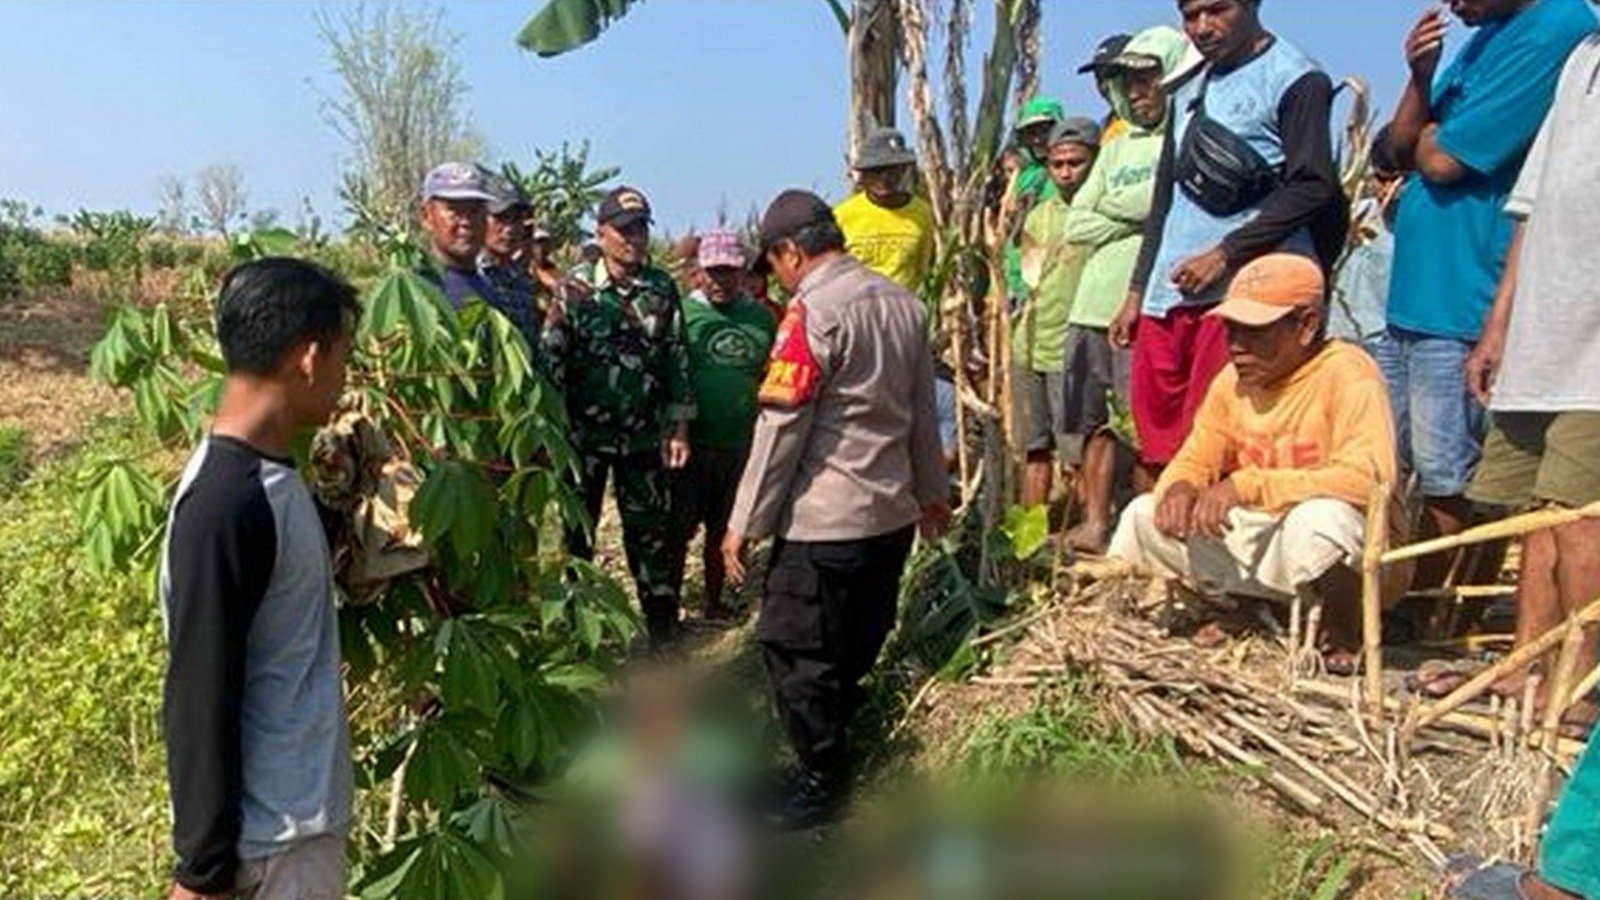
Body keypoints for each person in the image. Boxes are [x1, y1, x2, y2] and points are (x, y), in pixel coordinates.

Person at [721, 190, 949, 829]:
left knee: (794, 647)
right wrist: (933, 492)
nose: (781, 277)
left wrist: (745, 523)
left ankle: (823, 779)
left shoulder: (813, 313)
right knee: (853, 639)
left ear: (792, 252)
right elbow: (923, 417)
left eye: (778, 263)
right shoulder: (904, 305)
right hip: (890, 516)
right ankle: (834, 747)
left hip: (826, 521)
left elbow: (780, 428)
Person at [1376, 0, 1595, 588]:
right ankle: (1413, 598)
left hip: (1465, 294)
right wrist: (1421, 79)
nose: (1450, 4)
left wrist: (1429, 143)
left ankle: (1440, 608)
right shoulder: (1487, 35)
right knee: (1400, 467)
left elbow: (1445, 162)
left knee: (1456, 475)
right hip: (1413, 297)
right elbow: (1399, 149)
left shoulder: (1563, 28)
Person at [160, 258, 359, 900]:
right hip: (272, 848)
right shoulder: (227, 501)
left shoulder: (269, 477)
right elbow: (199, 688)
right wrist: (202, 870)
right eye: (342, 355)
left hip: (293, 828)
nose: (345, 375)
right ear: (308, 356)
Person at [1109, 254, 1397, 672]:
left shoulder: (1349, 373)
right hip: (1265, 539)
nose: (1237, 346)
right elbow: (1197, 454)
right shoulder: (1232, 381)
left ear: (1307, 325)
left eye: (1255, 333)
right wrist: (1181, 487)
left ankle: (1342, 626)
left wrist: (1249, 486)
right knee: (1142, 514)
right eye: (1231, 331)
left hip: (1337, 546)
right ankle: (1248, 608)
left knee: (1320, 522)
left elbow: (1371, 480)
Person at [1112, 0, 1346, 485]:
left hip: (1242, 298)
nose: (1202, 27)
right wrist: (1138, 290)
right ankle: (1159, 552)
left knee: (1221, 439)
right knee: (1158, 440)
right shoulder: (1189, 85)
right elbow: (1165, 195)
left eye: (1217, 11)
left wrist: (1225, 254)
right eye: (1191, 15)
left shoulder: (1296, 79)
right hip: (1170, 294)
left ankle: (1211, 555)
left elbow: (1313, 185)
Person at [1456, 34, 1600, 716]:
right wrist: (1500, 326)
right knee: (1534, 516)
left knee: (1582, 520)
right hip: (1543, 333)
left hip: (1595, 350)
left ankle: (1577, 686)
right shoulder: (1581, 60)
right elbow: (1530, 207)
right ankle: (1524, 667)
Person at [542, 186, 694, 647]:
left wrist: (680, 426)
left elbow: (676, 359)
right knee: (577, 538)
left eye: (641, 228)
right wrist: (552, 433)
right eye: (624, 229)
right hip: (583, 438)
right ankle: (579, 635)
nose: (634, 238)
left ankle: (663, 631)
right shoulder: (574, 289)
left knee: (650, 535)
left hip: (644, 438)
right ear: (602, 232)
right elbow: (552, 362)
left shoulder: (661, 288)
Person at [1061, 25, 1191, 553]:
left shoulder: (1182, 139)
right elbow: (1076, 222)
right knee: (1093, 425)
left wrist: (1126, 211)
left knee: (1143, 426)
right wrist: (1134, 215)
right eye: (1128, 83)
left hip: (1142, 304)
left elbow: (1159, 208)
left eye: (1146, 80)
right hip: (1089, 304)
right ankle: (1094, 524)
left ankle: (1145, 534)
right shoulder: (1115, 148)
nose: (1136, 92)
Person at [666, 230, 776, 620]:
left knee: (726, 528)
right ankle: (670, 605)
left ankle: (716, 601)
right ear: (698, 272)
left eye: (728, 272)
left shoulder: (762, 319)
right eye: (712, 272)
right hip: (690, 443)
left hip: (739, 443)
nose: (719, 281)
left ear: (742, 272)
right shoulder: (681, 314)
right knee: (677, 529)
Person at [1011, 117, 1100, 509]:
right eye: (1057, 164)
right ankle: (1031, 540)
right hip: (1028, 347)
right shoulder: (1036, 215)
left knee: (1077, 449)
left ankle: (1085, 526)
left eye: (1075, 163)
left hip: (1074, 350)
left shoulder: (1101, 215)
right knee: (1033, 448)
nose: (1065, 172)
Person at [833, 127, 936, 294]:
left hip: (902, 311)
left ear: (903, 170)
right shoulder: (842, 215)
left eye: (892, 170)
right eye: (876, 171)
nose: (885, 178)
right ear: (863, 174)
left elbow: (922, 269)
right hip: (856, 311)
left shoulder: (921, 213)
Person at [1327, 128, 1403, 346]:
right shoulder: (1354, 214)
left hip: (1383, 345)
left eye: (1397, 180)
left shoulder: (1415, 230)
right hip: (1337, 339)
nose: (1388, 190)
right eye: (1381, 179)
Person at [1002, 97, 1067, 308]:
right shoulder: (1024, 177)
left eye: (1044, 131)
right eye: (1031, 133)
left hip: (1058, 274)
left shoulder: (1070, 172)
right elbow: (1014, 236)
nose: (1038, 139)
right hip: (1021, 276)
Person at [476, 174, 544, 346]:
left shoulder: (523, 282)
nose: (510, 229)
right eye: (500, 218)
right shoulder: (470, 276)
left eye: (517, 219)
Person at [1077, 33, 1134, 144]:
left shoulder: (1157, 126)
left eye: (1110, 75)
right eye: (1098, 78)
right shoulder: (1102, 131)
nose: (1104, 86)